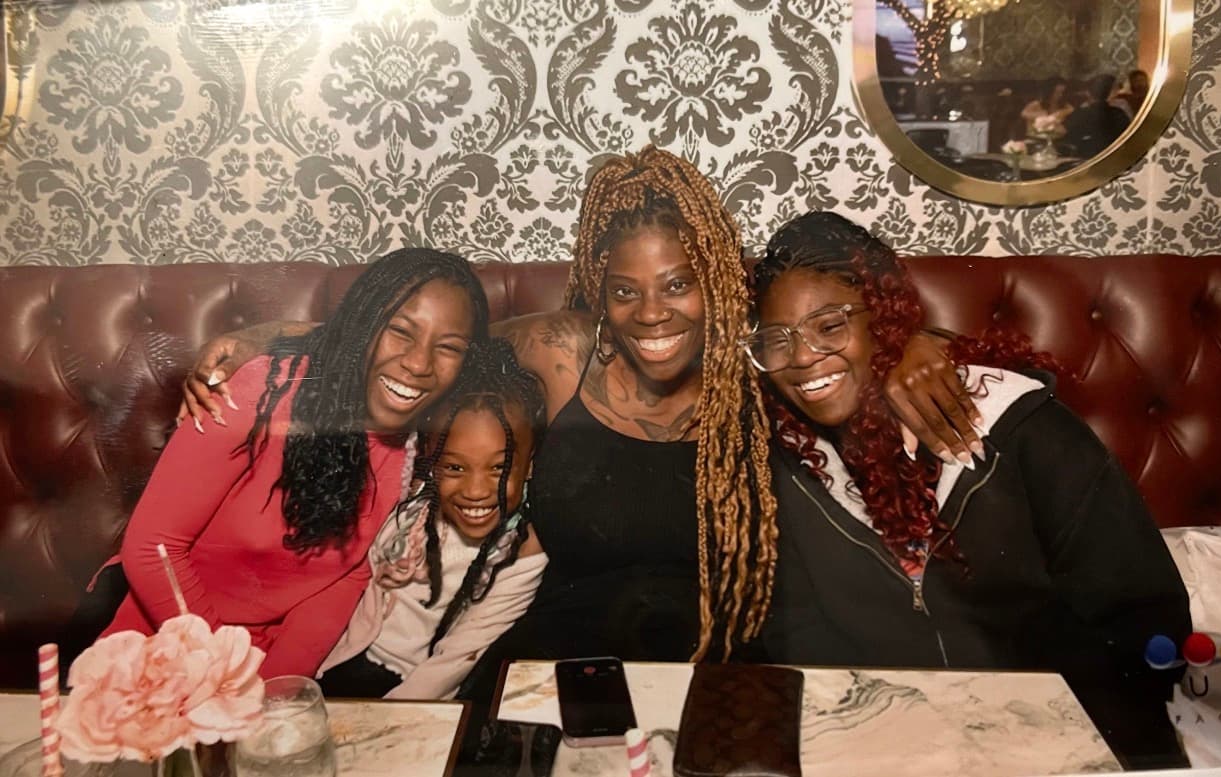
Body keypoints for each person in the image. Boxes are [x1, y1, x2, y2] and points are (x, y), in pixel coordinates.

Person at [179, 147, 987, 663]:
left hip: (727, 661)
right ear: (598, 290)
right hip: (557, 656)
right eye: (625, 289)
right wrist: (275, 333)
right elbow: (431, 340)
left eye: (677, 285)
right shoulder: (560, 355)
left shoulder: (757, 362)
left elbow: (841, 338)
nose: (653, 312)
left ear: (715, 285)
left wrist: (914, 341)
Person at [748, 211, 1191, 768]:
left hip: (1056, 736)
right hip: (887, 739)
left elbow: (1142, 619)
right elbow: (797, 637)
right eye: (777, 340)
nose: (804, 357)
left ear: (883, 321)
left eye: (830, 326)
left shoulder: (1019, 427)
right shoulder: (784, 456)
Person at [99, 247, 491, 679]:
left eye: (449, 347)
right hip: (169, 637)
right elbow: (154, 549)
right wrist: (225, 678)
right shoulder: (258, 392)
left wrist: (280, 692)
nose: (419, 363)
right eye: (400, 331)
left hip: (271, 662)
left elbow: (342, 580)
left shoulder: (415, 448)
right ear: (363, 325)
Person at [318, 337, 548, 700]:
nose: (475, 490)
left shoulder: (520, 555)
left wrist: (395, 715)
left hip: (414, 691)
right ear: (432, 461)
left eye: (499, 468)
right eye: (455, 467)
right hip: (341, 661)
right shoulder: (410, 502)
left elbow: (457, 659)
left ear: (530, 465)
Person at [1064, 74, 1132, 158]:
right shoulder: (1118, 113)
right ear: (1110, 92)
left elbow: (1070, 137)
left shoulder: (1079, 113)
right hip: (1115, 157)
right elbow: (1129, 137)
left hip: (1084, 160)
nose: (1118, 91)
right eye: (1115, 88)